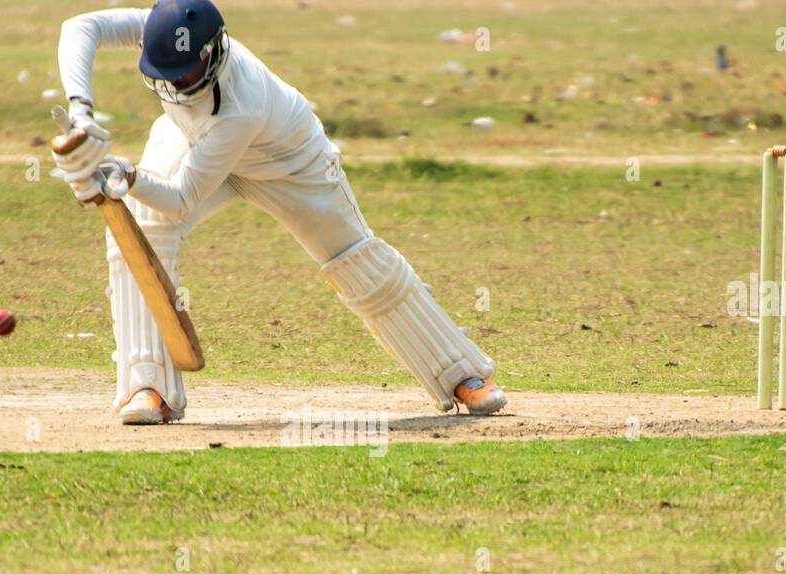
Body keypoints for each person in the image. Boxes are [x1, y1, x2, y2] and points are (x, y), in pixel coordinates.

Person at [52, 0, 508, 424]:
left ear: (213, 54)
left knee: (357, 263)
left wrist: (128, 177)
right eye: (165, 75)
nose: (175, 85)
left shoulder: (241, 106)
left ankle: (461, 374)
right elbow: (80, 27)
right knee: (140, 232)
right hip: (192, 142)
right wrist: (81, 113)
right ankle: (148, 388)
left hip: (289, 163)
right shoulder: (160, 30)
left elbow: (182, 198)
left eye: (185, 76)